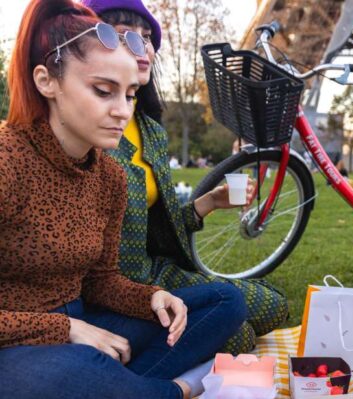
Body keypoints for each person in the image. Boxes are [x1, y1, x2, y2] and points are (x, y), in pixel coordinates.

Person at [0, 1, 247, 398]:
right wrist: (66, 331)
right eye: (103, 91)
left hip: (85, 322)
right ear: (47, 81)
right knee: (80, 370)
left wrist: (154, 297)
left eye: (130, 94)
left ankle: (124, 387)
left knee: (224, 301)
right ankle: (174, 390)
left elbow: (101, 281)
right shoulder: (7, 159)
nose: (121, 111)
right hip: (13, 345)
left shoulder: (110, 176)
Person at [81, 0, 289, 354]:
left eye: (147, 38)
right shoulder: (88, 129)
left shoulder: (150, 131)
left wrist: (210, 202)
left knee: (274, 305)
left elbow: (154, 227)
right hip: (114, 292)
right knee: (239, 336)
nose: (142, 47)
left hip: (157, 274)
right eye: (123, 35)